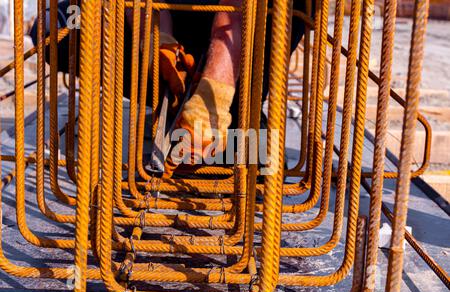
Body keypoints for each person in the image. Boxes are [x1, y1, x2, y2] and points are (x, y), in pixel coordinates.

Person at [30, 0, 312, 177]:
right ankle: (175, 98)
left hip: (251, 32)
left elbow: (234, 17)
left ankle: (233, 116)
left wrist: (213, 98)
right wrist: (154, 37)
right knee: (51, 29)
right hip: (169, 19)